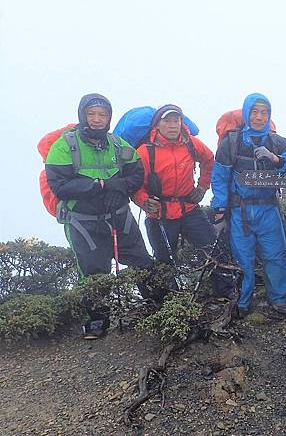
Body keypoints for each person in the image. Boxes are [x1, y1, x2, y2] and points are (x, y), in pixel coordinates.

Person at [45, 93, 154, 339]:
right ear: (82, 115)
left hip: (119, 215)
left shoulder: (118, 144)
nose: (97, 119)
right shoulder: (65, 146)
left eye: (102, 115)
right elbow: (59, 185)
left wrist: (121, 188)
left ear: (109, 118)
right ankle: (97, 321)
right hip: (84, 221)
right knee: (94, 271)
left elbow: (137, 173)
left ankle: (157, 304)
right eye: (91, 114)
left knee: (141, 260)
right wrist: (102, 186)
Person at [210, 93, 286, 318]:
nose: (259, 117)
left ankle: (278, 299)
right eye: (255, 112)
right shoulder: (232, 141)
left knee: (276, 255)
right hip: (240, 211)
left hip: (269, 209)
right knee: (242, 259)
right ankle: (242, 302)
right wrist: (219, 212)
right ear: (247, 113)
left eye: (264, 112)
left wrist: (276, 159)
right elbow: (220, 178)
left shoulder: (276, 141)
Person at [133, 105, 234, 298]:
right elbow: (135, 183)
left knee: (211, 247)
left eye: (176, 121)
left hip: (188, 208)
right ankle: (171, 301)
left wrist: (203, 186)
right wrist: (144, 201)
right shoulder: (145, 152)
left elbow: (209, 160)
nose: (172, 126)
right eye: (167, 121)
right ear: (157, 124)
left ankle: (226, 292)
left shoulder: (191, 143)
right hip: (160, 213)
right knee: (164, 261)